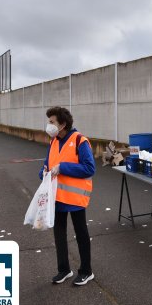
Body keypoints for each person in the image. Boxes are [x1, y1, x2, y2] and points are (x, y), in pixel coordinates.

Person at [39, 106, 96, 285]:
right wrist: (44, 172)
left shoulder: (80, 141)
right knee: (59, 234)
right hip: (57, 196)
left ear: (62, 124)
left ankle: (86, 271)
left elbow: (89, 169)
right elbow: (47, 164)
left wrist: (63, 167)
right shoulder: (53, 141)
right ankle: (64, 270)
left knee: (81, 234)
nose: (49, 125)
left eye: (51, 122)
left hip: (76, 198)